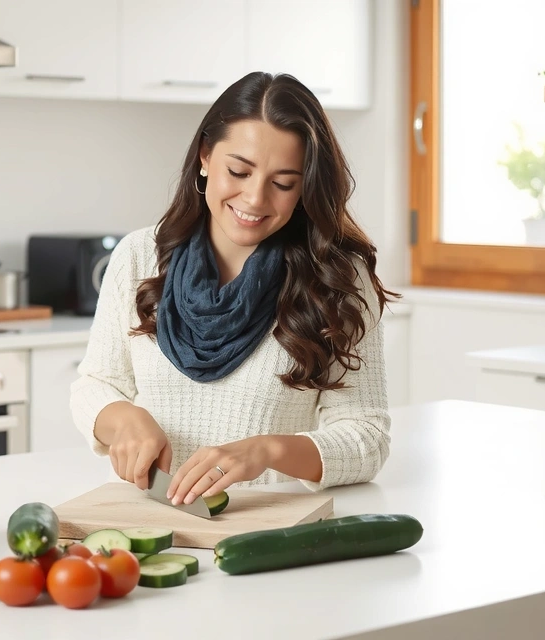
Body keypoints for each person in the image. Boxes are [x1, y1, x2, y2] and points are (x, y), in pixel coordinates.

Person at [69, 71, 398, 508]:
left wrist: (266, 451)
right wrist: (122, 418)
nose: (255, 199)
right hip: (151, 519)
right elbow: (95, 384)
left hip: (264, 526)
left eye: (283, 183)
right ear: (205, 157)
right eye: (238, 171)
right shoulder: (137, 256)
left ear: (305, 186)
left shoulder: (337, 279)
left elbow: (367, 438)